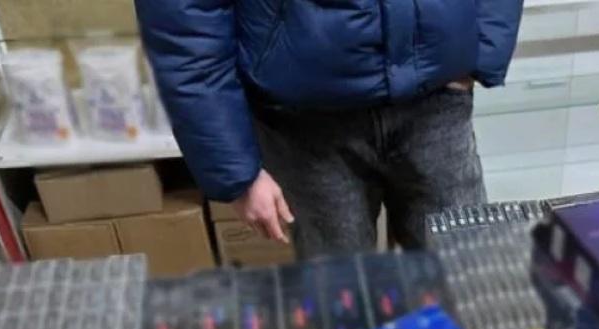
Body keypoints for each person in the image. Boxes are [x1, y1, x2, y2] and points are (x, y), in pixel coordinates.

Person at [136, 0, 524, 259]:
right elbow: (185, 23)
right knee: (341, 304)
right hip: (306, 127)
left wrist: (483, 48)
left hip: (436, 101)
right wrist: (234, 172)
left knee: (468, 278)